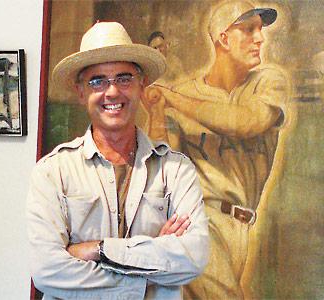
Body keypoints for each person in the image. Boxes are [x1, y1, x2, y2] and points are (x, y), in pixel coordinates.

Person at [27, 21, 209, 299]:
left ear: (141, 84)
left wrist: (98, 249)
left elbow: (192, 258)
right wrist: (149, 266)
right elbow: (47, 271)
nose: (112, 92)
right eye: (97, 81)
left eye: (123, 78)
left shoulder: (176, 170)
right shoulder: (53, 172)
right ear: (81, 92)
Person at [142, 1, 295, 299]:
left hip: (241, 227)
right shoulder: (184, 93)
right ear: (223, 38)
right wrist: (158, 112)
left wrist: (171, 99)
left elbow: (247, 122)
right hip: (197, 220)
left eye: (260, 30)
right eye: (249, 30)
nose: (260, 38)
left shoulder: (268, 81)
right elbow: (160, 170)